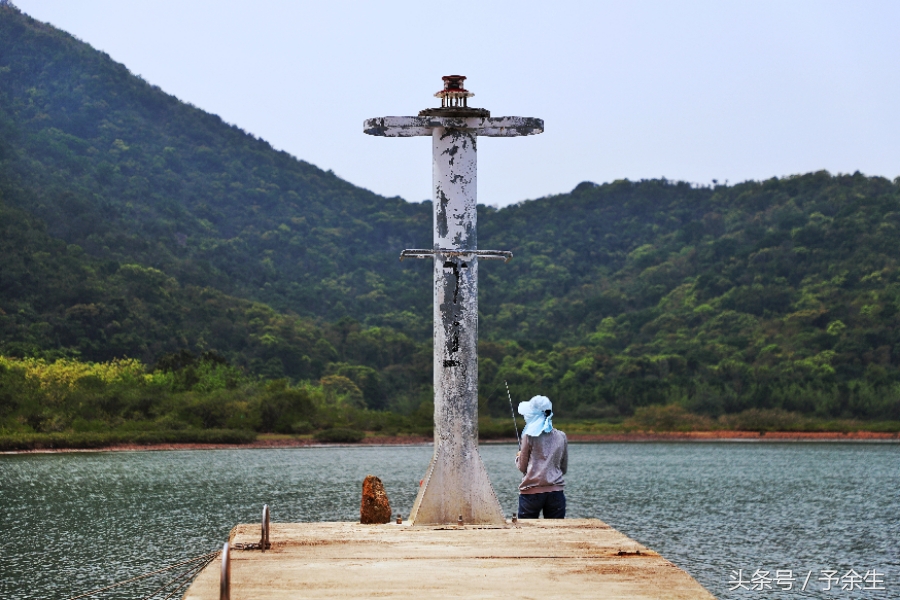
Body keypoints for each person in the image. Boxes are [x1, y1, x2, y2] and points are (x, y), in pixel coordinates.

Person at [515, 395, 568, 519]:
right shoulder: (562, 436)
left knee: (527, 532)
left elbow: (523, 467)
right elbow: (563, 468)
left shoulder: (528, 436)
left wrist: (518, 457)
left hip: (531, 494)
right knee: (555, 533)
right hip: (556, 493)